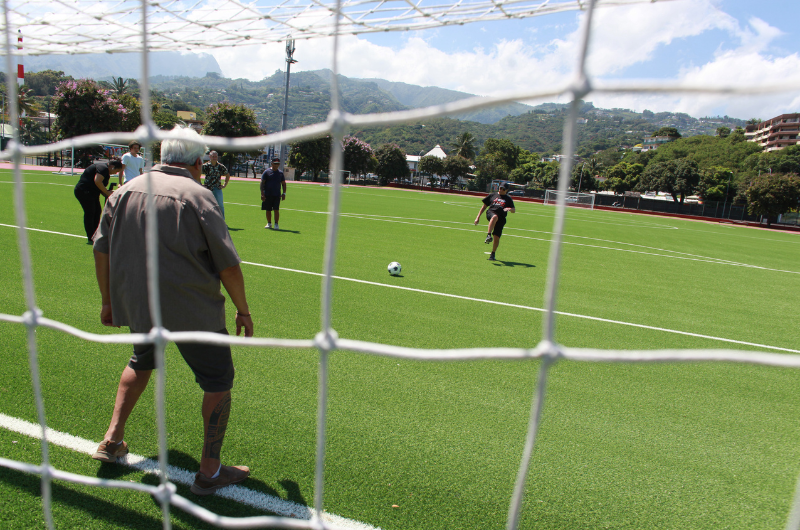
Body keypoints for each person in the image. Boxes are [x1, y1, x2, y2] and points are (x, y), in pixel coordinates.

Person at [91, 126, 254, 496]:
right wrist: (243, 310)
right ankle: (210, 472)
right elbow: (227, 264)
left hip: (138, 303)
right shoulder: (198, 195)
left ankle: (112, 440)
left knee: (141, 360)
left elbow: (101, 250)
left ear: (163, 156)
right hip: (192, 309)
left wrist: (107, 300)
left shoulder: (124, 191)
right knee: (218, 380)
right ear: (198, 161)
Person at [74, 160, 124, 244]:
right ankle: (91, 236)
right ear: (112, 167)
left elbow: (100, 186)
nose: (116, 173)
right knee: (90, 212)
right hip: (84, 191)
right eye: (116, 171)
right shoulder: (103, 168)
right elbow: (97, 181)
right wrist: (107, 192)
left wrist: (107, 193)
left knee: (97, 212)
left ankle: (95, 234)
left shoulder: (105, 171)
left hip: (92, 193)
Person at [474, 182, 515, 261]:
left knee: (496, 237)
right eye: (500, 188)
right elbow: (484, 206)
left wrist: (510, 209)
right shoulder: (492, 195)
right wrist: (477, 217)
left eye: (503, 189)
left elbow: (514, 210)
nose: (501, 190)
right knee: (494, 217)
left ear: (506, 190)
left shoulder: (508, 198)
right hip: (491, 213)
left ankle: (492, 254)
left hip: (501, 219)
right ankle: (488, 235)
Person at [202, 150, 231, 219]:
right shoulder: (205, 166)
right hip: (207, 188)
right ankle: (206, 220)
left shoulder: (220, 166)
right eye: (213, 156)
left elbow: (227, 175)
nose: (214, 158)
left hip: (217, 188)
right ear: (210, 157)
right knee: (206, 205)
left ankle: (222, 221)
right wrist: (200, 184)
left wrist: (224, 184)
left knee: (220, 205)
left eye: (216, 156)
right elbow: (197, 173)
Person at [260, 157, 286, 230]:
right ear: (272, 163)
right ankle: (269, 223)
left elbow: (284, 184)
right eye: (275, 164)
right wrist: (262, 193)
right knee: (268, 210)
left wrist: (284, 193)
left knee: (276, 209)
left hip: (277, 195)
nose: (276, 165)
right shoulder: (267, 172)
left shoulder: (280, 173)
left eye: (278, 164)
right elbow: (262, 183)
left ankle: (276, 224)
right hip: (268, 194)